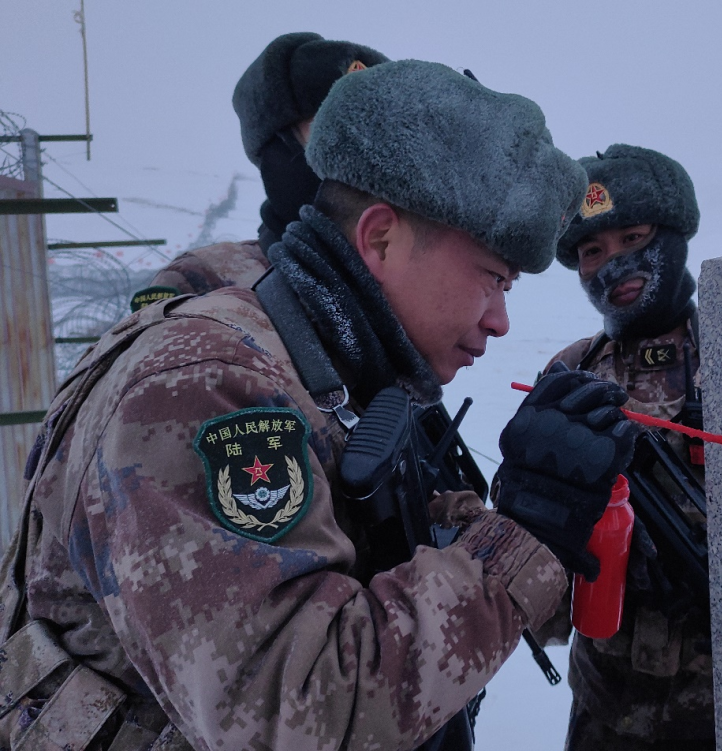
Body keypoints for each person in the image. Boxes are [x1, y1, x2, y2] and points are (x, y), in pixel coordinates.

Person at [0, 61, 640, 751]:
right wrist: (523, 533)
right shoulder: (206, 387)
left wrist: (538, 517)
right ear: (380, 237)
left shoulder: (323, 372)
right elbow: (290, 710)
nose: (500, 320)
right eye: (492, 278)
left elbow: (369, 538)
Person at [543, 144, 715, 750]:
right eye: (592, 251)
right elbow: (525, 525)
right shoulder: (570, 372)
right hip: (604, 703)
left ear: (671, 238)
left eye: (633, 238)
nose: (614, 265)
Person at [131, 32, 388, 307]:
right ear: (279, 154)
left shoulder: (420, 272)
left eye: (384, 131)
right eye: (333, 133)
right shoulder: (205, 283)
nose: (366, 152)